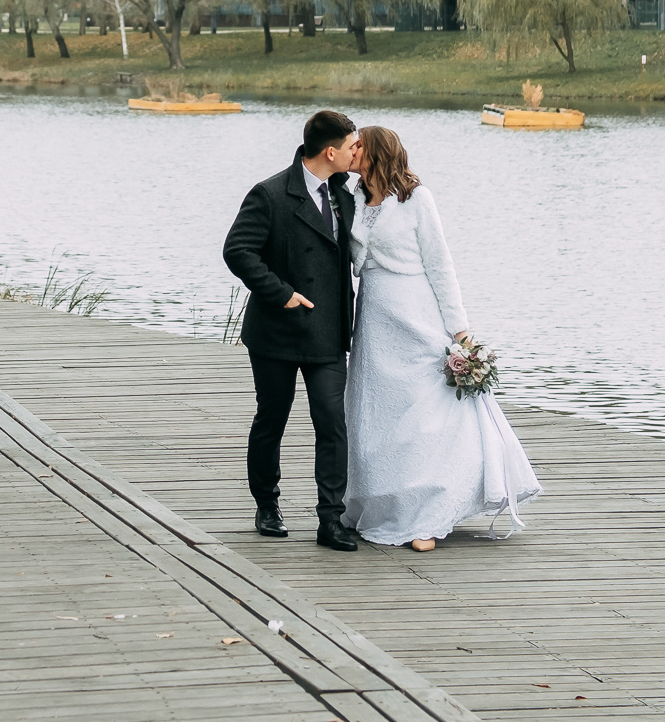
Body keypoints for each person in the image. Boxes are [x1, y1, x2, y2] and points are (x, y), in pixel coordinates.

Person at [342, 124, 541, 551]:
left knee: (424, 417)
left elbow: (441, 266)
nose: (351, 150)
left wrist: (460, 330)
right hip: (375, 321)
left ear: (377, 152)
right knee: (376, 413)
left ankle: (427, 515)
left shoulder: (416, 201)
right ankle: (380, 505)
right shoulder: (352, 197)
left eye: (359, 145)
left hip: (417, 314)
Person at [223, 108, 362, 551]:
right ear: (330, 151)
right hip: (277, 331)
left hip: (327, 333)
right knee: (272, 419)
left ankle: (331, 520)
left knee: (331, 423)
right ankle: (267, 505)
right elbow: (238, 250)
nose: (356, 152)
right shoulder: (269, 194)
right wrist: (280, 292)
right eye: (352, 145)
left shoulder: (345, 195)